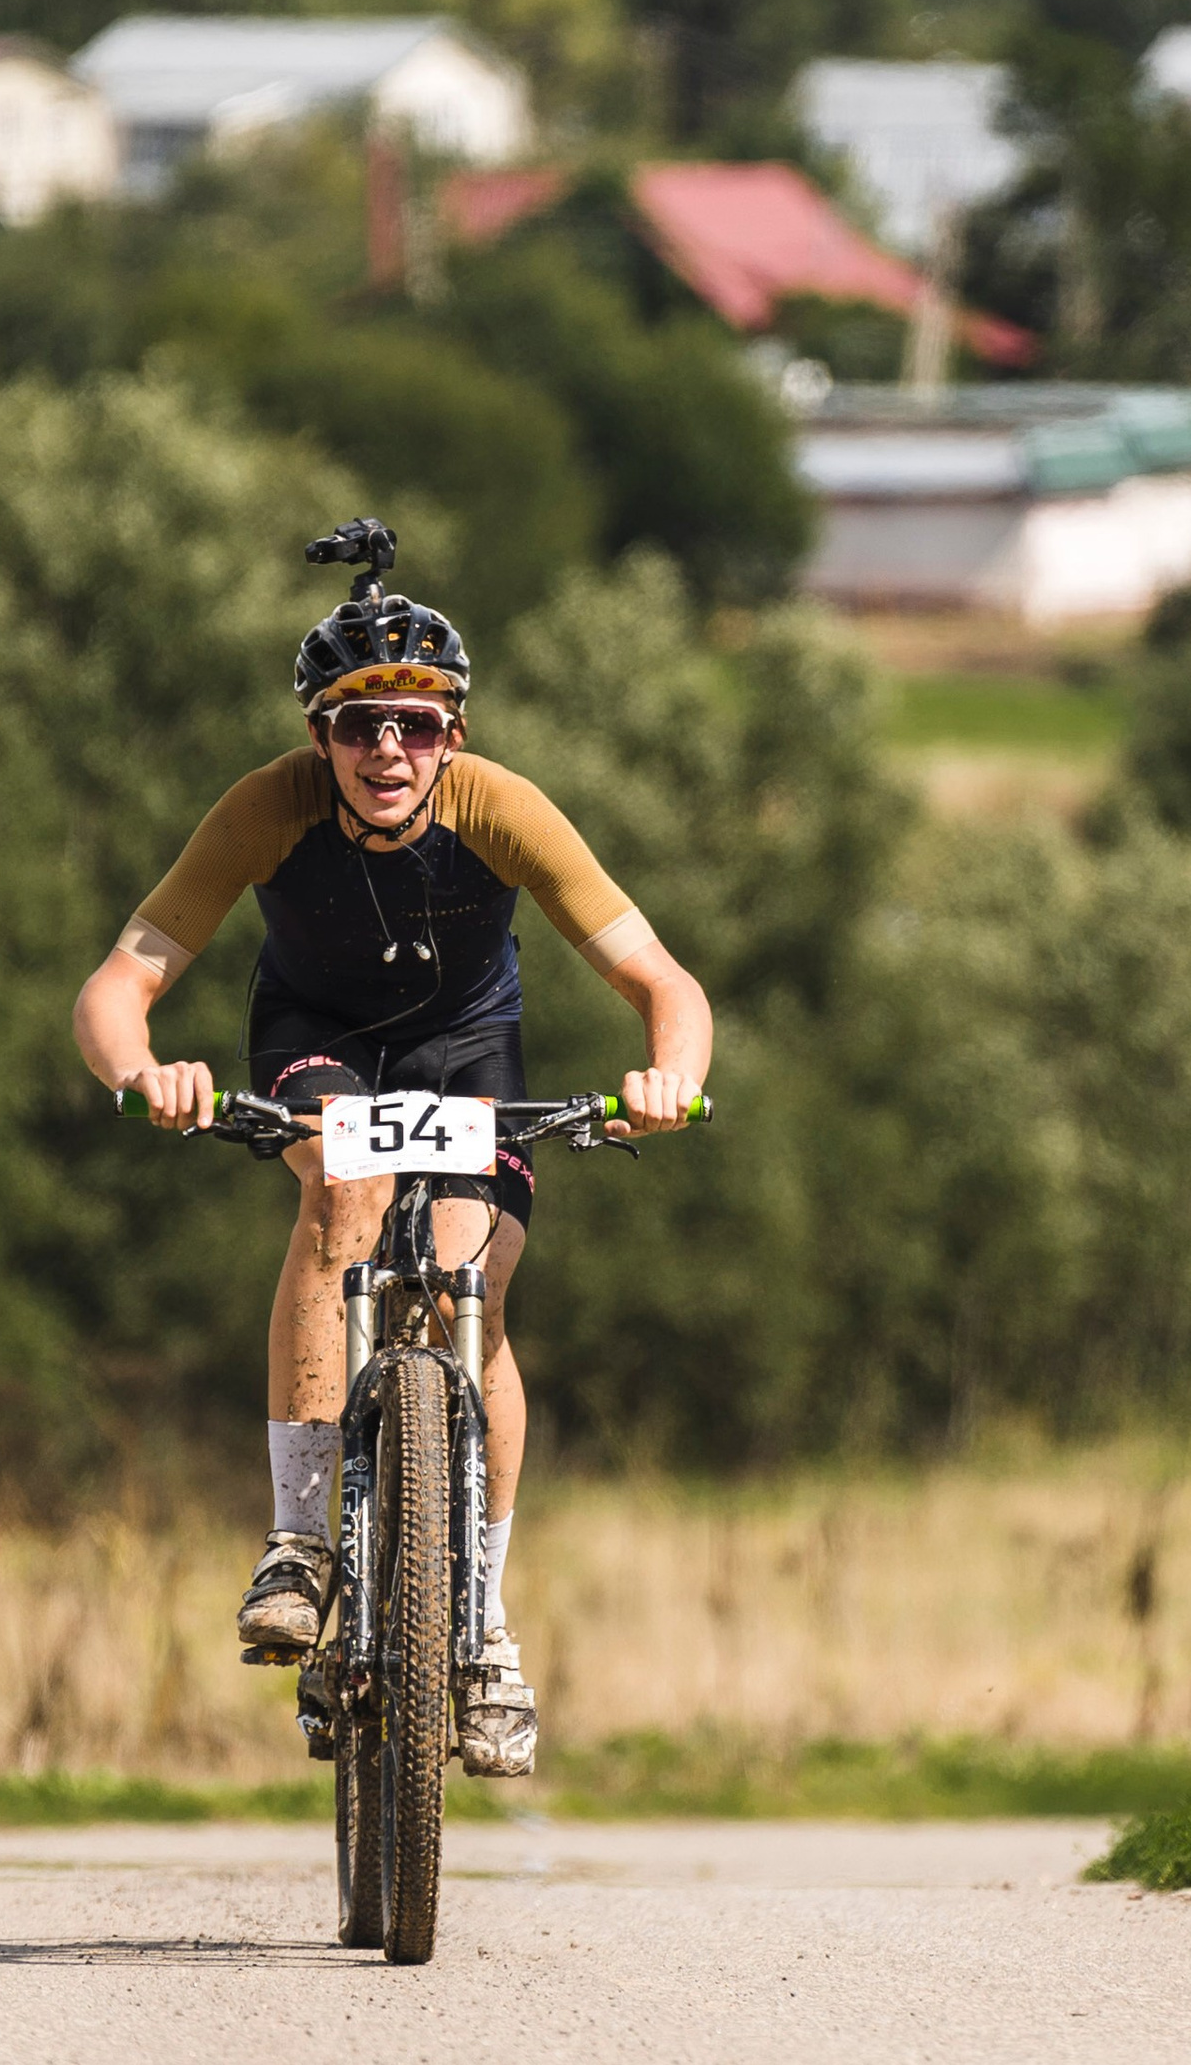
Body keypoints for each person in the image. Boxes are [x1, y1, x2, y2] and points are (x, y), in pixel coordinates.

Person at [70, 523, 713, 1780]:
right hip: (319, 1042)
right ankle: (300, 1539)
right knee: (344, 1196)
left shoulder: (502, 810)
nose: (387, 750)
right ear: (320, 735)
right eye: (359, 723)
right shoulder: (266, 808)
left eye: (417, 725)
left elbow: (659, 978)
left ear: (453, 736)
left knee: (477, 1281)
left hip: (470, 1050)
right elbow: (118, 984)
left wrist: (670, 1078)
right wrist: (144, 1075)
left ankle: (479, 1625)